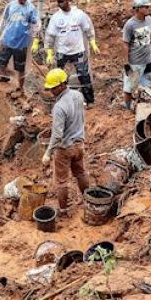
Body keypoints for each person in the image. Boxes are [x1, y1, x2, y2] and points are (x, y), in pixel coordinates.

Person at [41, 69, 91, 213]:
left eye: (53, 88)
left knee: (61, 181)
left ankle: (63, 210)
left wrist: (48, 153)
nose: (51, 91)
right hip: (79, 143)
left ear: (62, 84)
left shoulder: (59, 107)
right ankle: (88, 200)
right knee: (80, 173)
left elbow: (57, 135)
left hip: (64, 148)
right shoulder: (78, 95)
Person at [44, 0, 98, 106]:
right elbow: (50, 36)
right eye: (58, 1)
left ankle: (89, 100)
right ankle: (63, 101)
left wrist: (92, 42)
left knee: (84, 75)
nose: (60, 3)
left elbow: (88, 28)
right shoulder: (56, 18)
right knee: (60, 78)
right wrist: (49, 52)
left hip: (78, 50)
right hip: (62, 52)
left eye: (62, 0)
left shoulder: (79, 14)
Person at [0, 0, 41, 81]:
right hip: (7, 40)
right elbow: (4, 20)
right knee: (1, 61)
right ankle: (2, 78)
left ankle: (20, 87)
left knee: (20, 67)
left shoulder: (31, 9)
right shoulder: (10, 6)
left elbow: (36, 24)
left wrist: (36, 40)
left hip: (21, 43)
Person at [121, 0, 151, 110]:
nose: (148, 9)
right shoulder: (130, 25)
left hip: (148, 59)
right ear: (137, 9)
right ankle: (127, 108)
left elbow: (150, 36)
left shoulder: (149, 20)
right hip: (135, 62)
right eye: (146, 7)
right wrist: (126, 63)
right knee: (129, 88)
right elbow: (125, 44)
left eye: (148, 7)